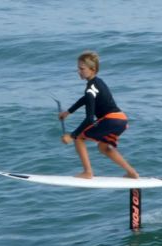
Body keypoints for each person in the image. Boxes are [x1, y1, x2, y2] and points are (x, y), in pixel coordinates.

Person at [59, 51, 139, 179]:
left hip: (111, 119)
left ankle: (88, 172)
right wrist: (68, 112)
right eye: (78, 69)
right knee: (104, 147)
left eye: (82, 68)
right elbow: (85, 99)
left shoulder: (90, 89)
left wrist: (72, 135)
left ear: (93, 69)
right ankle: (132, 173)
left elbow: (89, 119)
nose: (79, 71)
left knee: (79, 138)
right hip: (121, 120)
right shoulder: (98, 82)